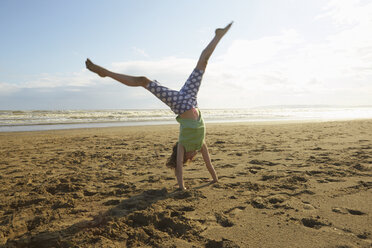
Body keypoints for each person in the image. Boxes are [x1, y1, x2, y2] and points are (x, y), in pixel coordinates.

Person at [86, 22, 233, 190]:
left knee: (144, 81)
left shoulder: (183, 144)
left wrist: (182, 187)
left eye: (189, 159)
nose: (193, 157)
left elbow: (179, 168)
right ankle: (218, 35)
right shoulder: (200, 144)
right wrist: (215, 179)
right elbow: (209, 164)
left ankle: (217, 35)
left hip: (179, 104)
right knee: (202, 64)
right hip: (191, 99)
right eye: (191, 158)